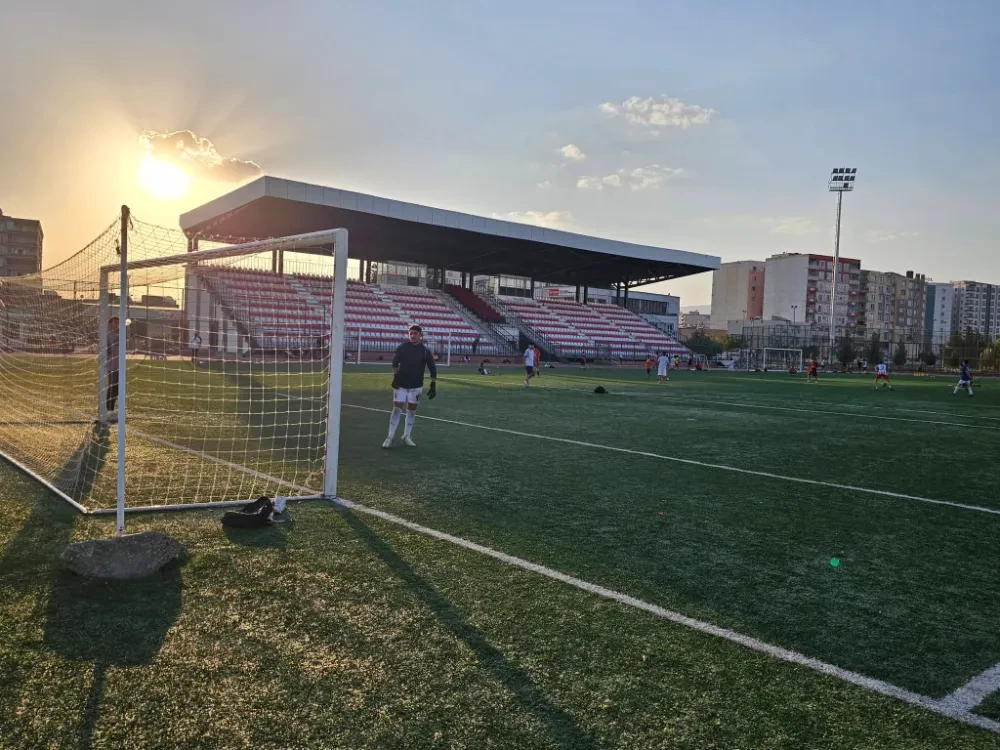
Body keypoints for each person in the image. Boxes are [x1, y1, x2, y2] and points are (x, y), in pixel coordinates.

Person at [383, 325, 437, 448]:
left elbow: (432, 368)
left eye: (415, 333)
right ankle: (390, 437)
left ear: (420, 335)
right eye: (410, 333)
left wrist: (433, 384)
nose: (412, 335)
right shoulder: (402, 347)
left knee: (411, 411)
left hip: (416, 386)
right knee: (397, 409)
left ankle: (407, 436)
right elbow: (395, 363)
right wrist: (395, 377)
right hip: (401, 385)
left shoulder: (425, 351)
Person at [104, 316, 121, 424]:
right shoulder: (108, 336)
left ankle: (111, 410)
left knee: (117, 389)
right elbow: (105, 350)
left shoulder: (121, 335)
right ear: (111, 324)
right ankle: (108, 411)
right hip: (112, 366)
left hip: (120, 366)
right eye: (115, 323)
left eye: (118, 323)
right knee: (112, 388)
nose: (117, 325)